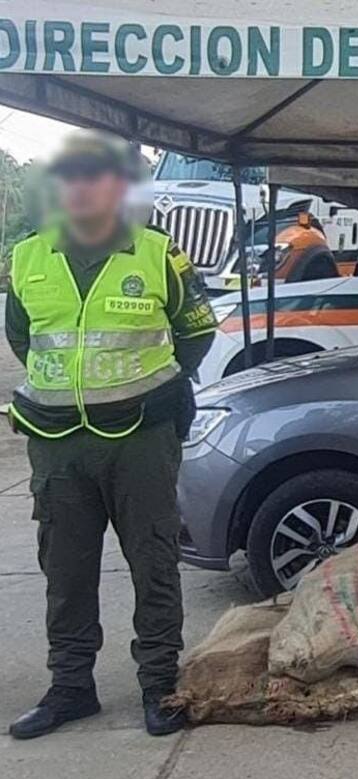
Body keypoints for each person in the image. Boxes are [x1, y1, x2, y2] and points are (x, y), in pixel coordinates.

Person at [5, 130, 217, 739]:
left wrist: (153, 389)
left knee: (153, 561)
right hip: (56, 439)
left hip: (142, 437)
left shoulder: (157, 254)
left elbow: (194, 333)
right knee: (65, 570)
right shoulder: (26, 258)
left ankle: (159, 685)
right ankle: (70, 688)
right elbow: (23, 338)